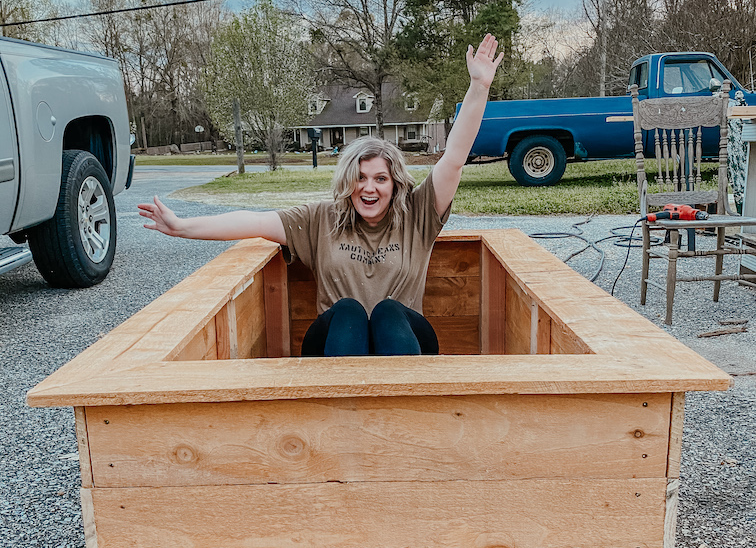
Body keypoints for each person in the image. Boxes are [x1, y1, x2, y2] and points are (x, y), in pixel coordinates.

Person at [138, 34, 503, 356]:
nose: (369, 187)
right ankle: (339, 410)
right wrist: (181, 226)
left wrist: (479, 87)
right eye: (360, 178)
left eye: (380, 178)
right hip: (336, 343)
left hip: (404, 341)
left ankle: (402, 405)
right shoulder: (321, 220)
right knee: (348, 311)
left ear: (395, 185)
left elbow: (453, 158)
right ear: (347, 182)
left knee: (388, 311)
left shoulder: (418, 213)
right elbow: (255, 220)